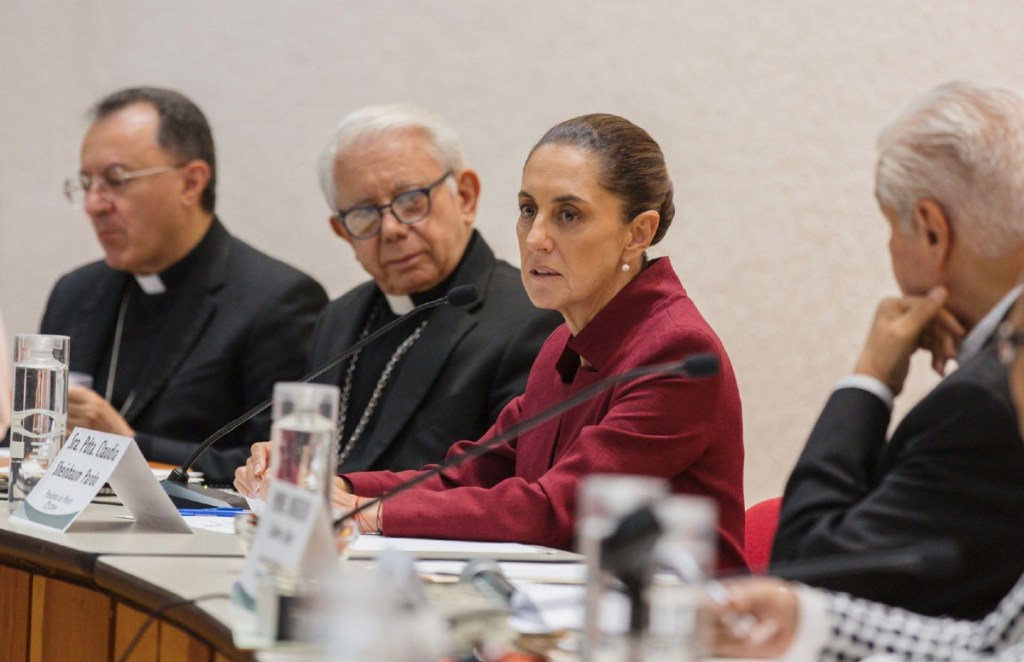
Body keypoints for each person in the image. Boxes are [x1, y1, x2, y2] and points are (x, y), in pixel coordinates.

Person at [238, 113, 747, 568]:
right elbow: (471, 471)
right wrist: (338, 487)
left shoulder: (675, 353)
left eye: (568, 215)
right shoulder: (565, 342)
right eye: (529, 209)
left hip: (678, 632)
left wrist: (367, 514)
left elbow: (552, 509)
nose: (535, 237)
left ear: (638, 233)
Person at [770, 81, 1024, 618]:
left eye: (892, 228)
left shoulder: (984, 403)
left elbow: (804, 583)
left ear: (933, 232)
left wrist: (870, 379)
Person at [236, 104, 560, 478]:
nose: (390, 229)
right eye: (364, 213)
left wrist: (347, 493)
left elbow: (499, 484)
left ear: (466, 197)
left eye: (410, 201)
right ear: (343, 232)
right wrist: (281, 466)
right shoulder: (337, 318)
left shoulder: (529, 319)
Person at [713, 291, 1024, 660]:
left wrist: (871, 373)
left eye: (1012, 344)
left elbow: (809, 564)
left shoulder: (978, 405)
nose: (1004, 368)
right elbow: (987, 647)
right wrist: (806, 619)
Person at [40, 87, 328, 485]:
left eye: (115, 180)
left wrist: (130, 446)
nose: (94, 203)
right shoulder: (75, 292)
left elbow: (280, 468)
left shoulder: (278, 301)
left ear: (191, 183)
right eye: (87, 183)